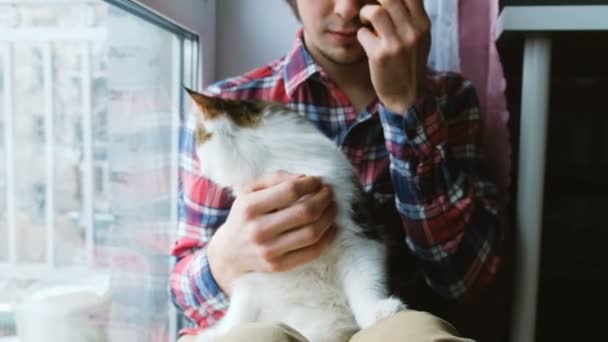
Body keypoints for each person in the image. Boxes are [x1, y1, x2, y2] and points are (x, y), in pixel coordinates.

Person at [171, 0, 507, 341]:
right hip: (271, 316)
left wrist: (408, 107)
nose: (347, 10)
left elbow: (463, 280)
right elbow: (185, 296)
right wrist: (224, 261)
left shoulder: (450, 98)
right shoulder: (226, 108)